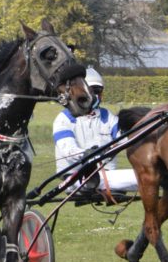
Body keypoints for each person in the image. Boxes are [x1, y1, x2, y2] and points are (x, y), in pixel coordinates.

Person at [52, 67, 138, 195]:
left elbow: (125, 139)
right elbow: (68, 150)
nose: (96, 95)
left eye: (99, 91)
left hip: (106, 175)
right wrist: (92, 154)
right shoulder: (64, 118)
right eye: (93, 91)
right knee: (143, 177)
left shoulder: (107, 116)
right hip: (75, 177)